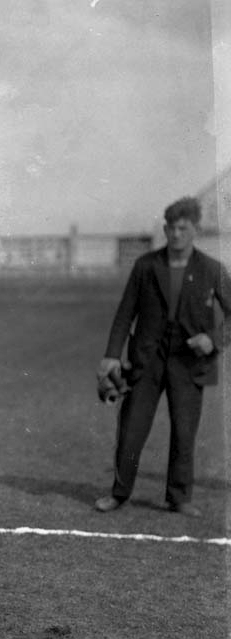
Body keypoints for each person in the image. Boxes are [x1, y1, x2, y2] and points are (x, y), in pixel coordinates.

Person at [94, 197, 231, 517]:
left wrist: (213, 340)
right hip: (146, 361)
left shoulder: (212, 269)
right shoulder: (146, 266)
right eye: (171, 228)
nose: (176, 234)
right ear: (165, 229)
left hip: (189, 364)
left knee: (185, 431)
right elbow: (125, 312)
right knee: (131, 430)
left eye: (184, 228)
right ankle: (119, 493)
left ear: (195, 230)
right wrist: (112, 355)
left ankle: (178, 497)